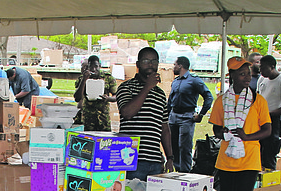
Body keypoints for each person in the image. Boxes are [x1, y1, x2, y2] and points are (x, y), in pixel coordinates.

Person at [210, 57, 272, 191]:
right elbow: (215, 129)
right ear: (232, 75)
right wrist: (222, 132)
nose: (247, 77)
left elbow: (267, 130)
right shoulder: (221, 101)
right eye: (242, 74)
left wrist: (247, 137)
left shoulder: (258, 101)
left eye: (248, 74)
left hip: (249, 159)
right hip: (226, 160)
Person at [116, 47, 174, 181]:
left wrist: (170, 158)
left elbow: (164, 128)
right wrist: (147, 87)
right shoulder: (126, 87)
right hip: (131, 160)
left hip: (154, 161)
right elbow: (127, 113)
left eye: (154, 61)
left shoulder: (160, 94)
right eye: (146, 61)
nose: (150, 64)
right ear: (137, 65)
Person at [167, 56, 213, 172]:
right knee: (173, 146)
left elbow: (208, 97)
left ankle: (185, 172)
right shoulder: (176, 81)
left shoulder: (194, 80)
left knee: (185, 146)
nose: (174, 67)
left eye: (175, 65)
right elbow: (170, 101)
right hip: (173, 116)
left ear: (181, 66)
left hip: (187, 116)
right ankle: (177, 170)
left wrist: (201, 114)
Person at [257, 55, 281, 170]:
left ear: (272, 67)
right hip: (259, 119)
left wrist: (270, 113)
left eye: (263, 67)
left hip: (274, 121)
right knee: (258, 151)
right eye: (260, 67)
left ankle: (270, 179)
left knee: (269, 152)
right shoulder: (262, 79)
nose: (260, 70)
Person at [73, 55, 117, 131]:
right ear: (88, 67)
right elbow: (77, 98)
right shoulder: (83, 78)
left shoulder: (108, 78)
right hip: (88, 119)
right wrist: (84, 80)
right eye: (91, 67)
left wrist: (108, 98)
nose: (94, 69)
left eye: (96, 66)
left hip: (103, 119)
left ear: (99, 66)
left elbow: (116, 96)